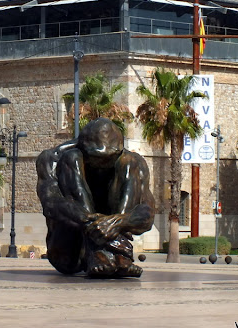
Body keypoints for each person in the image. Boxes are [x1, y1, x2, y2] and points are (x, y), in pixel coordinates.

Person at [36, 118, 155, 278]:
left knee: (129, 163)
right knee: (71, 159)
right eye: (97, 157)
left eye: (110, 157)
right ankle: (100, 254)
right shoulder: (54, 159)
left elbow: (147, 214)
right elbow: (51, 203)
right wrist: (92, 221)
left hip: (114, 241)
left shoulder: (132, 162)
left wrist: (117, 222)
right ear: (83, 147)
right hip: (69, 252)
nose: (104, 163)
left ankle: (115, 257)